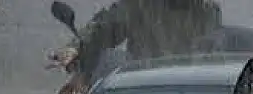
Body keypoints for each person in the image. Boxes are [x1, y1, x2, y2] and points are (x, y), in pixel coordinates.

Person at [49, 0, 223, 72]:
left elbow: (215, 49)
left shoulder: (207, 10)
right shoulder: (140, 4)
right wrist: (76, 48)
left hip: (190, 92)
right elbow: (107, 25)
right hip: (141, 86)